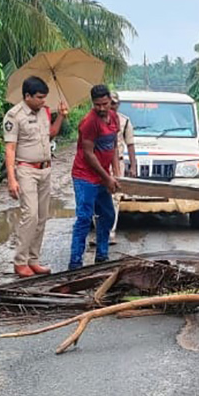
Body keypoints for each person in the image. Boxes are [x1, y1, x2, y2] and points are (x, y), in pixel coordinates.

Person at [3, 76, 68, 277]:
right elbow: (10, 149)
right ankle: (20, 261)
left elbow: (51, 134)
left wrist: (62, 116)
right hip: (26, 170)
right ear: (27, 96)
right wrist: (12, 179)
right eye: (39, 97)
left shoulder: (44, 112)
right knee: (29, 215)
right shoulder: (14, 116)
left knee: (41, 216)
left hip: (45, 170)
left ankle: (33, 259)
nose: (43, 101)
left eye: (44, 97)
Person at [69, 84, 120, 270]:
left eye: (104, 104)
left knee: (107, 214)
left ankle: (102, 255)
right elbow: (89, 155)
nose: (101, 108)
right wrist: (107, 178)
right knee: (84, 218)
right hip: (85, 177)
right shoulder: (89, 122)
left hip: (102, 177)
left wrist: (116, 173)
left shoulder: (114, 118)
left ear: (110, 102)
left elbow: (114, 145)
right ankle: (75, 263)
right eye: (97, 104)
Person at [90, 91, 137, 246]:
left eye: (114, 103)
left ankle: (110, 232)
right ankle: (99, 232)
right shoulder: (93, 120)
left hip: (117, 162)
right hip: (99, 163)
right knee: (97, 197)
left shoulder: (124, 121)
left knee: (115, 198)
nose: (112, 106)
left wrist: (133, 166)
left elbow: (129, 144)